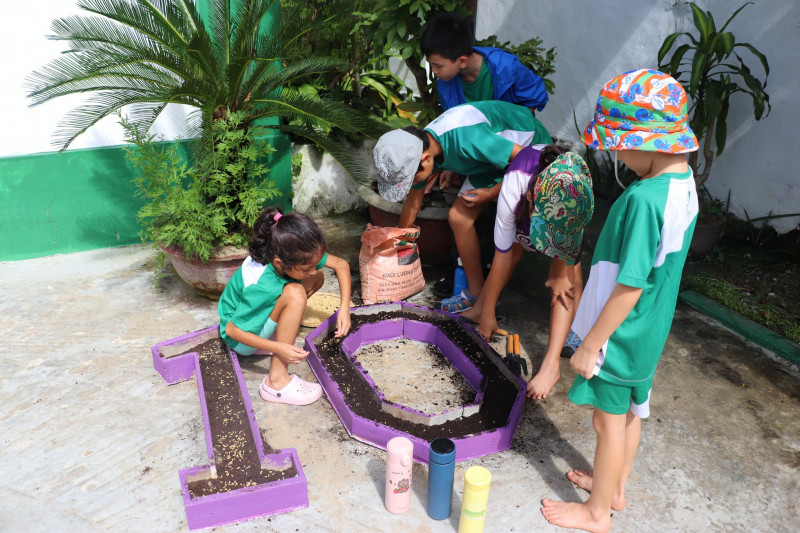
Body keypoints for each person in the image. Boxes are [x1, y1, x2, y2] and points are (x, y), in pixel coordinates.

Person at [540, 69, 699, 533]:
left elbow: (629, 283)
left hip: (621, 334)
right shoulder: (683, 184)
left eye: (620, 148)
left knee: (606, 424)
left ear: (647, 142)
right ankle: (615, 488)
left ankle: (596, 513)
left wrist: (592, 343)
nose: (619, 158)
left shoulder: (646, 200)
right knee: (631, 413)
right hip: (649, 330)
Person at [372, 100, 551, 312]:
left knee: (513, 242)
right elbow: (414, 199)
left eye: (410, 179)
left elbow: (529, 161)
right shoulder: (420, 147)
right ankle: (476, 294)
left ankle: (486, 305)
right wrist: (399, 242)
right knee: (458, 217)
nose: (412, 184)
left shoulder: (467, 140)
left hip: (532, 152)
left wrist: (492, 193)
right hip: (490, 161)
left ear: (426, 158)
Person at [461, 147, 594, 400]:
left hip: (559, 217)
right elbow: (502, 256)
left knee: (565, 284)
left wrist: (557, 272)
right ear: (532, 198)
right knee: (514, 249)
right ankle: (481, 308)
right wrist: (488, 314)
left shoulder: (577, 193)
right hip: (525, 198)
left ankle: (551, 364)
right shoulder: (515, 187)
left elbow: (563, 262)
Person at [217, 207, 352, 406]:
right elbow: (231, 330)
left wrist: (345, 310)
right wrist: (279, 347)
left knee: (316, 278)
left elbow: (341, 265)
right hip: (240, 339)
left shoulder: (289, 250)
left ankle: (280, 329)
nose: (313, 269)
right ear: (280, 264)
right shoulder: (261, 286)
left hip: (254, 319)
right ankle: (276, 382)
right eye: (306, 268)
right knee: (296, 294)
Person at [420, 12, 549, 114]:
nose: (434, 71)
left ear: (462, 61)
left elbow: (535, 96)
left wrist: (515, 124)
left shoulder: (506, 67)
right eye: (431, 64)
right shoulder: (445, 85)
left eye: (438, 66)